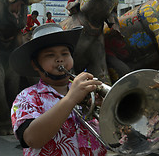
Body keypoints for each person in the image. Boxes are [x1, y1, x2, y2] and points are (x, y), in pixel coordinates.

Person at [10, 23, 107, 155]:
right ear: (35, 64)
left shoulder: (87, 91)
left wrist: (106, 108)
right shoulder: (26, 97)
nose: (60, 59)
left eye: (65, 54)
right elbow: (32, 139)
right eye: (50, 55)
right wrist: (71, 99)